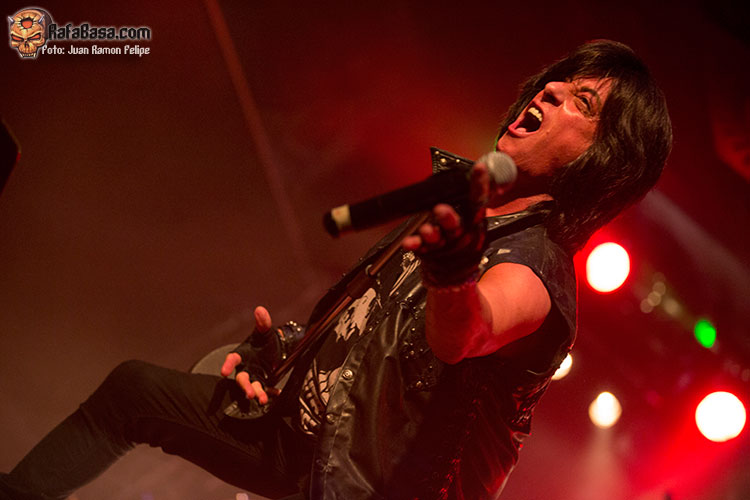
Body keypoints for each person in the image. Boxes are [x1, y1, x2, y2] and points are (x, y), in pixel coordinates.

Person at [0, 39, 671, 500]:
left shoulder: (537, 269)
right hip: (304, 447)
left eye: (582, 102)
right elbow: (368, 341)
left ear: (600, 162)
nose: (551, 90)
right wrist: (281, 359)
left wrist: (453, 270)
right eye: (559, 82)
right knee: (133, 393)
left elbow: (465, 332)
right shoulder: (459, 204)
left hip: (370, 490)